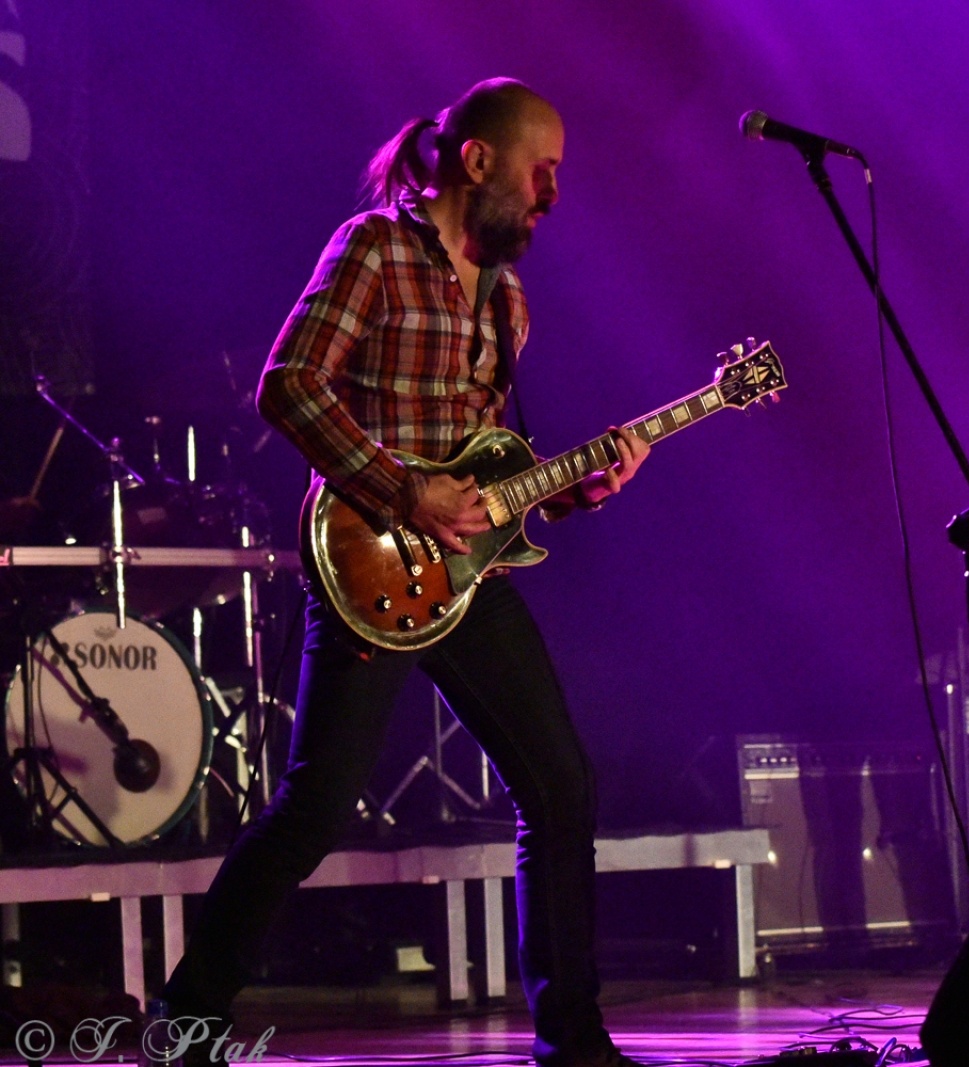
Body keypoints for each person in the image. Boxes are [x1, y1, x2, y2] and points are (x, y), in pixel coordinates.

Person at [155, 78, 649, 1067]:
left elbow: (486, 465)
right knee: (314, 810)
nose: (553, 193)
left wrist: (561, 493)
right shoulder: (375, 247)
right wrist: (399, 490)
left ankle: (573, 1037)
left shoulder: (507, 299)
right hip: (367, 562)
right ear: (478, 162)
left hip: (469, 577)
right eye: (540, 169)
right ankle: (185, 1022)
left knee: (560, 785)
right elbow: (287, 385)